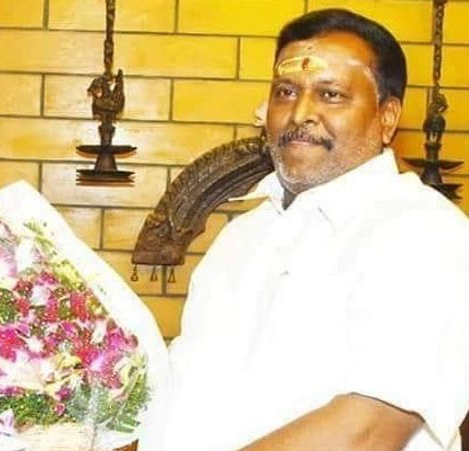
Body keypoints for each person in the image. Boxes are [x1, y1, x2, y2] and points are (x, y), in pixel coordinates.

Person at [160, 8, 469, 451]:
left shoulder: (426, 235)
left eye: (331, 95)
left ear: (386, 118)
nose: (300, 113)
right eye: (286, 92)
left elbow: (369, 431)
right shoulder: (241, 236)